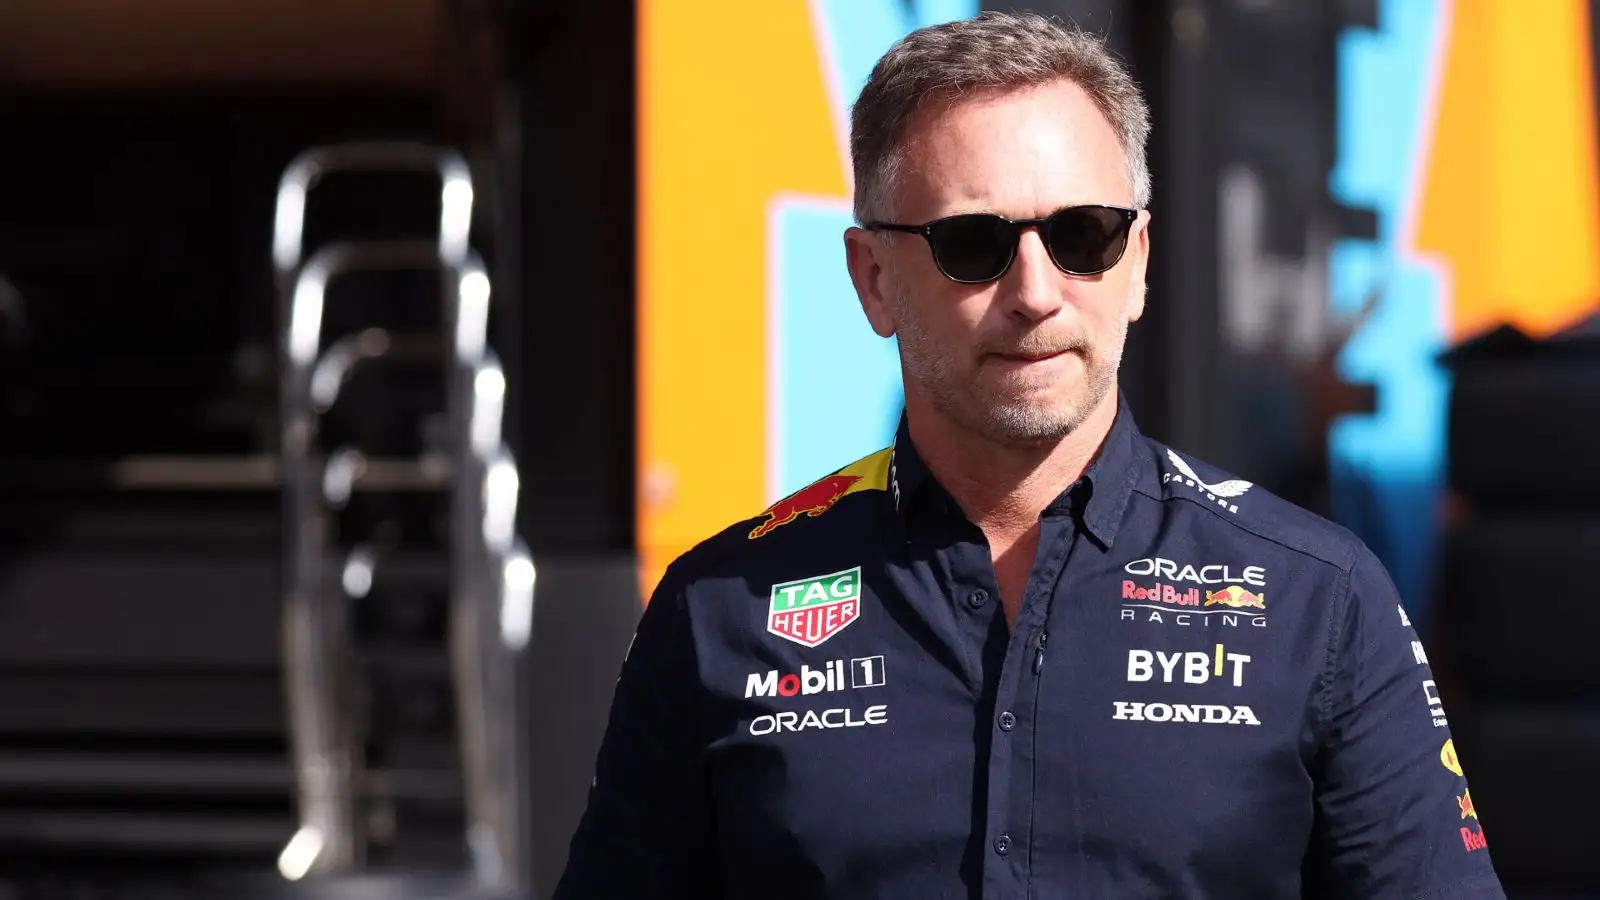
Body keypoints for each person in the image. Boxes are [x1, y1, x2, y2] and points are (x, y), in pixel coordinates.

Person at [554, 12, 1505, 899]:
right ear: (873, 280)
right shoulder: (720, 609)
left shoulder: (1321, 599)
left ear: (1136, 265)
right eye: (974, 244)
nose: (1036, 291)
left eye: (1081, 236)